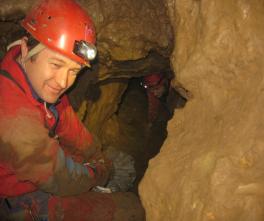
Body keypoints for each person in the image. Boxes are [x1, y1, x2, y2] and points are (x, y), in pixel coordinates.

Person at [0, 0, 112, 220]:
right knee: (119, 209)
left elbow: (70, 125)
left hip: (45, 168)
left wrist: (95, 153)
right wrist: (98, 173)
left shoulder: (35, 79)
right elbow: (59, 178)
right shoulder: (13, 118)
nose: (63, 82)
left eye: (75, 70)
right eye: (56, 64)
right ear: (25, 49)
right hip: (19, 196)